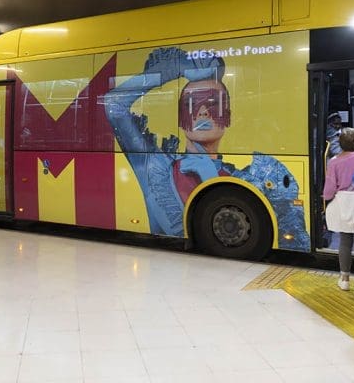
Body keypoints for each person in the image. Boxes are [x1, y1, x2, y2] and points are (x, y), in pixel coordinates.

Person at [104, 47, 310, 250]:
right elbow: (114, 103)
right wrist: (169, 71)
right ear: (180, 118)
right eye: (191, 104)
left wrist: (213, 178)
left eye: (212, 103)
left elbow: (294, 240)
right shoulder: (155, 167)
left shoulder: (253, 177)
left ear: (228, 116)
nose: (202, 112)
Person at [323, 128, 354, 293]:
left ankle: (344, 279)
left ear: (339, 143)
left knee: (344, 240)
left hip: (342, 202)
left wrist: (327, 199)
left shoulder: (333, 161)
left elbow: (329, 189)